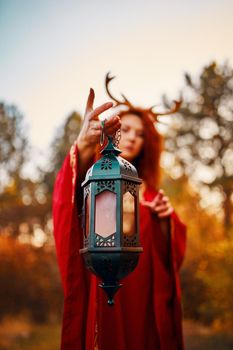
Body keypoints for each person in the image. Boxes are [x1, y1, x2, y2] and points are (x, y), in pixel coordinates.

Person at [53, 77, 187, 350]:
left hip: (141, 292)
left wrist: (165, 221)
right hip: (102, 281)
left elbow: (173, 254)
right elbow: (67, 203)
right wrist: (82, 145)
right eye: (125, 129)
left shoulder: (149, 192)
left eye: (140, 135)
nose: (132, 138)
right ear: (112, 131)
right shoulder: (93, 178)